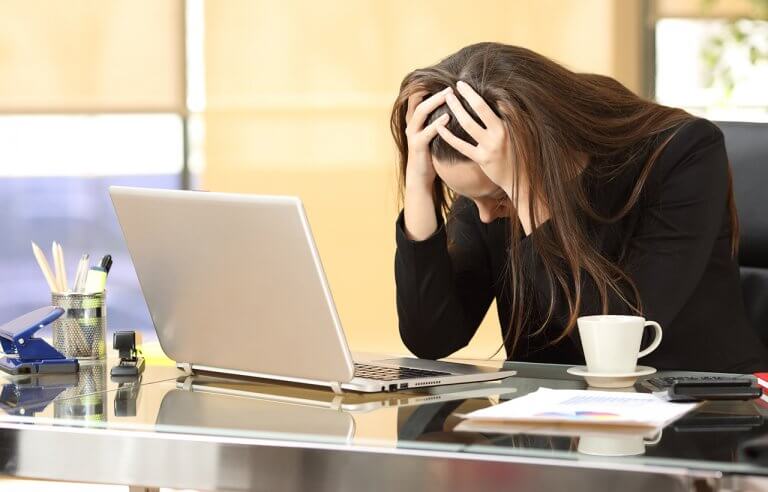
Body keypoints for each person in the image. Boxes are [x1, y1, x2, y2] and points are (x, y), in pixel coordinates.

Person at [390, 42, 768, 372]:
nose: (485, 216)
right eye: (471, 200)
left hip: (700, 407)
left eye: (498, 198)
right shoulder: (488, 173)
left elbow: (619, 334)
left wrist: (528, 195)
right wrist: (420, 185)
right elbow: (432, 339)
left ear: (544, 151)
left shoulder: (683, 153)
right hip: (551, 413)